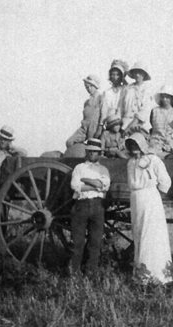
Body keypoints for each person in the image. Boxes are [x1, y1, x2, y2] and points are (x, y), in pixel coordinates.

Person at [125, 133, 173, 285]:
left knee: (152, 235)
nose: (134, 148)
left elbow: (165, 181)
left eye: (136, 145)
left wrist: (154, 195)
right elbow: (130, 183)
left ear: (142, 145)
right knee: (139, 233)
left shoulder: (153, 160)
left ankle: (158, 275)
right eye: (131, 145)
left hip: (150, 198)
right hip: (136, 199)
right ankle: (142, 274)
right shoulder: (130, 163)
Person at [70, 138, 111, 276]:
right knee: (77, 242)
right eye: (90, 151)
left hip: (98, 207)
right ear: (86, 152)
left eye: (95, 152)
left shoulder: (103, 169)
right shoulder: (79, 168)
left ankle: (90, 272)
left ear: (99, 153)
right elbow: (75, 186)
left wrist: (85, 181)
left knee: (95, 242)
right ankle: (74, 272)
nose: (93, 154)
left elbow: (104, 185)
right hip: (81, 206)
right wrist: (95, 184)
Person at [149, 85, 173, 156]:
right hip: (155, 141)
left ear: (171, 98)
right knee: (152, 154)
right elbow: (152, 124)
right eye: (163, 97)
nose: (164, 99)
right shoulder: (154, 111)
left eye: (167, 97)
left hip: (169, 141)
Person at [66, 74, 103, 148]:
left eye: (91, 86)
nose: (89, 89)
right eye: (87, 87)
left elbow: (103, 114)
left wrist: (100, 127)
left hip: (94, 126)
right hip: (85, 126)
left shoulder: (101, 98)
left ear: (95, 86)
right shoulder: (86, 102)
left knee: (91, 146)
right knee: (69, 142)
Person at [120, 61, 155, 137]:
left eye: (140, 73)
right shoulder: (128, 89)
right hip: (125, 124)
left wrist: (130, 127)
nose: (137, 75)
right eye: (135, 72)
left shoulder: (147, 90)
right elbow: (122, 108)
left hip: (140, 126)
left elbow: (144, 110)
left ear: (144, 75)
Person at [99, 59, 129, 128]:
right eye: (113, 74)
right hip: (109, 122)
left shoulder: (126, 90)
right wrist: (101, 124)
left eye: (117, 75)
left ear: (121, 76)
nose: (115, 77)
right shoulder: (107, 92)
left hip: (123, 122)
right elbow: (104, 111)